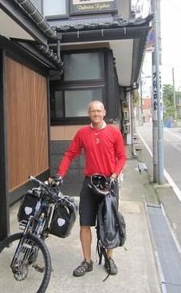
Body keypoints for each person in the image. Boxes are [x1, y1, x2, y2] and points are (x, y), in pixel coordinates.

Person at [51, 100, 126, 278]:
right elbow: (69, 154)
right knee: (85, 224)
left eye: (99, 111)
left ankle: (109, 258)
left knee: (109, 223)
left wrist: (115, 174)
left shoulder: (114, 133)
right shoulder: (83, 133)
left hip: (109, 182)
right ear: (89, 113)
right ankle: (87, 261)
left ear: (104, 112)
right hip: (90, 184)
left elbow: (122, 157)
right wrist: (60, 174)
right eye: (93, 111)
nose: (96, 114)